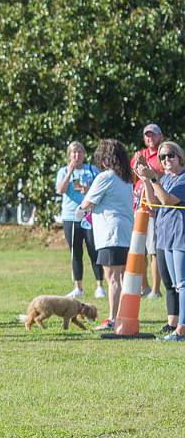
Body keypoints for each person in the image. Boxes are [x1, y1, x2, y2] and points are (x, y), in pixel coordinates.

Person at [80, 139, 135, 331]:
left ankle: (113, 318)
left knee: (112, 278)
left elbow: (87, 203)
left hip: (110, 233)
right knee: (120, 278)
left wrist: (80, 211)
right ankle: (122, 315)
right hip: (125, 232)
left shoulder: (105, 177)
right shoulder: (127, 179)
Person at [135, 140, 185, 341]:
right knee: (174, 284)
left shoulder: (182, 179)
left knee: (182, 284)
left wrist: (153, 178)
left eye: (170, 155)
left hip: (181, 236)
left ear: (180, 157)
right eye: (162, 157)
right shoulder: (164, 179)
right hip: (166, 236)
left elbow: (167, 200)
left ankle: (181, 329)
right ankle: (176, 324)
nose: (166, 160)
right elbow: (154, 204)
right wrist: (145, 178)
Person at [56, 142, 105, 299]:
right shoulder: (63, 171)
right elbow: (60, 190)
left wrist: (88, 191)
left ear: (84, 154)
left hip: (90, 215)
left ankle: (99, 286)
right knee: (75, 252)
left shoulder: (92, 170)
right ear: (69, 155)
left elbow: (102, 190)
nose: (77, 156)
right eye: (73, 153)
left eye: (79, 152)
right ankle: (78, 287)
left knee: (94, 250)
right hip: (71, 216)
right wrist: (69, 172)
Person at [132, 123, 165, 298]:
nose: (149, 138)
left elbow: (159, 176)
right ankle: (144, 287)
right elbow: (131, 177)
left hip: (153, 209)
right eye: (147, 135)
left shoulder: (164, 155)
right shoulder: (139, 154)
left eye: (153, 135)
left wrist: (147, 167)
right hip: (138, 207)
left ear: (161, 136)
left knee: (153, 250)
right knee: (139, 250)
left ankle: (155, 289)